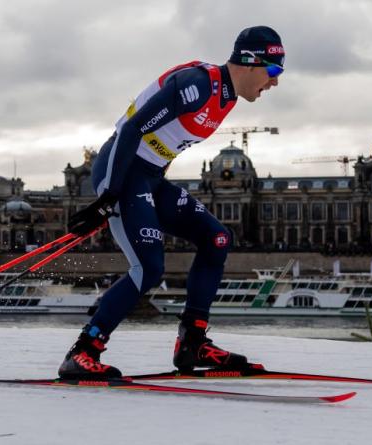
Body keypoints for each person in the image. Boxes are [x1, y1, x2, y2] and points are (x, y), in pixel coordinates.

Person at [60, 26, 284, 379]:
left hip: (148, 177)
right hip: (122, 169)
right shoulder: (197, 85)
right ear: (250, 62)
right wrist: (108, 197)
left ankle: (192, 342)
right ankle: (83, 351)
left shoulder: (226, 99)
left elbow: (165, 144)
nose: (274, 83)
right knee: (149, 268)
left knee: (217, 239)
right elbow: (131, 131)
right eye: (273, 72)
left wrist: (154, 187)